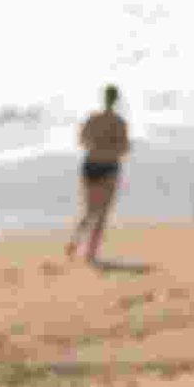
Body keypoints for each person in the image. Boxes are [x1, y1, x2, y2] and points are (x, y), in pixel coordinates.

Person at [66, 84, 131, 265]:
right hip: (108, 166)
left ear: (104, 98)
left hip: (90, 165)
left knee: (89, 210)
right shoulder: (119, 122)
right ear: (116, 99)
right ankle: (91, 253)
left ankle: (75, 242)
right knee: (102, 213)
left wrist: (97, 144)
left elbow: (82, 140)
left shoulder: (93, 118)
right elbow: (124, 149)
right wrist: (110, 146)